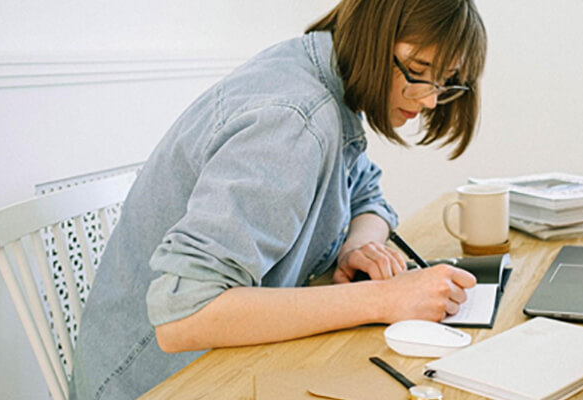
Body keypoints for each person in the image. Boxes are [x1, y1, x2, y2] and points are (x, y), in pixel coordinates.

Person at [69, 0, 487, 398]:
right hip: (159, 383)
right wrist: (386, 298)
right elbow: (184, 315)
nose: (431, 99)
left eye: (446, 81)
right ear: (375, 35)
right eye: (419, 71)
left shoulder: (327, 77)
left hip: (230, 361)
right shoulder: (294, 121)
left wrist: (360, 248)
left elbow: (368, 195)